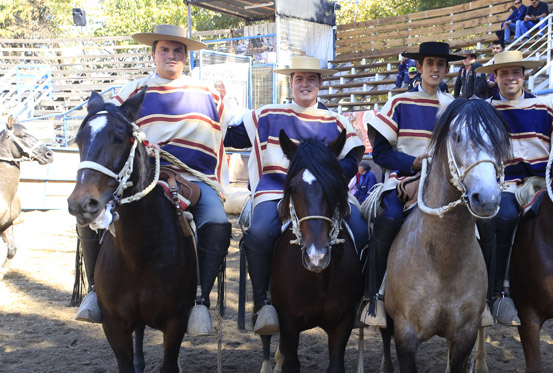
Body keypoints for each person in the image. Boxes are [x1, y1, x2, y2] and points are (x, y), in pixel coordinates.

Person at [75, 25, 233, 336]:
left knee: (217, 222)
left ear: (186, 57)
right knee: (87, 216)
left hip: (195, 180)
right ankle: (95, 290)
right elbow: (108, 127)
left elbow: (234, 128)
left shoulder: (209, 95)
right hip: (144, 180)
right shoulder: (131, 92)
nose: (171, 56)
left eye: (178, 51)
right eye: (165, 50)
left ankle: (198, 298)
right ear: (153, 54)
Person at [225, 56, 368, 335]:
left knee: (362, 230)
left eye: (311, 79)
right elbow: (232, 137)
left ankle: (358, 300)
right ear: (290, 82)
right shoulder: (268, 114)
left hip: (326, 193)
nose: (305, 84)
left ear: (320, 83)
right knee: (260, 234)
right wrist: (214, 117)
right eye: (299, 79)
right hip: (275, 190)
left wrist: (328, 176)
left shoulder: (335, 120)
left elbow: (352, 159)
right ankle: (265, 301)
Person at [362, 42, 465, 327]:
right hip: (402, 181)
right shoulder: (399, 102)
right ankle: (375, 297)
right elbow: (380, 153)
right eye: (429, 62)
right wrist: (413, 164)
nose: (435, 68)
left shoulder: (455, 108)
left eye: (440, 64)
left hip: (449, 186)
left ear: (446, 69)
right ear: (418, 67)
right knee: (389, 219)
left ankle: (480, 299)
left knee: (480, 224)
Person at [476, 51, 553, 326]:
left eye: (515, 72)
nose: (510, 78)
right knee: (503, 218)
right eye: (504, 73)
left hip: (542, 182)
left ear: (523, 75)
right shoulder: (486, 109)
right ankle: (497, 293)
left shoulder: (545, 105)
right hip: (504, 182)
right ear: (495, 77)